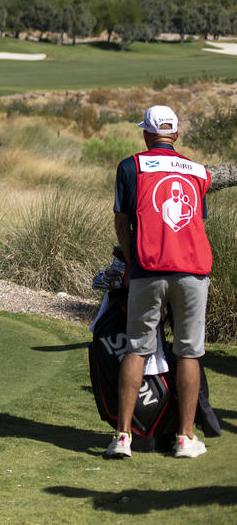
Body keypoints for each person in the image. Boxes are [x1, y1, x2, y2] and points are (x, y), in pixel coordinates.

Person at [106, 105, 212, 459]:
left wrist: (131, 261)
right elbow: (196, 219)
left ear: (147, 135)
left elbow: (123, 222)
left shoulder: (130, 166)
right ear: (176, 135)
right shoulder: (198, 172)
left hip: (149, 267)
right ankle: (185, 437)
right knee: (189, 351)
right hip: (194, 268)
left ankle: (123, 436)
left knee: (138, 347)